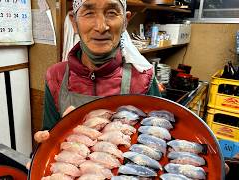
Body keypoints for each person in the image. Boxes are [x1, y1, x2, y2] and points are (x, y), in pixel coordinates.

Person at [34, 0, 161, 143]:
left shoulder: (144, 77)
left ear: (125, 21)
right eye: (88, 13)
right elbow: (50, 136)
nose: (101, 27)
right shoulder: (56, 76)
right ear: (74, 23)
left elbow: (157, 137)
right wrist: (43, 144)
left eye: (112, 13)